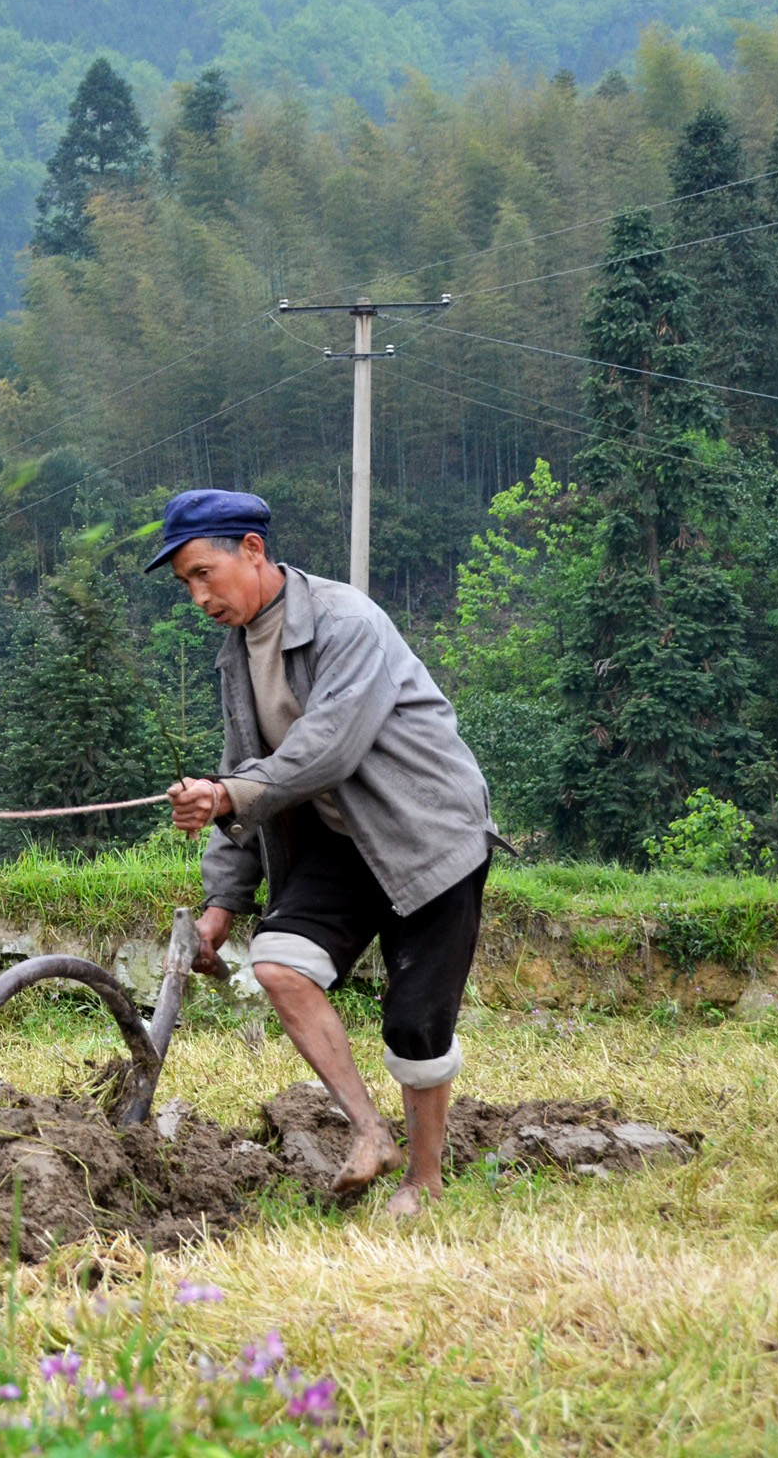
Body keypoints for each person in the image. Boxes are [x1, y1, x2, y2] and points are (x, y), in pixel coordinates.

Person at [147, 489, 500, 1216]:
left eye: (204, 573)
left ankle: (424, 1183)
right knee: (279, 961)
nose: (197, 595)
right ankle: (371, 1131)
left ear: (252, 548)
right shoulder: (239, 654)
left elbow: (325, 751)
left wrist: (225, 794)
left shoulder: (347, 621)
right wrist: (222, 903)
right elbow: (244, 765)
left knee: (415, 1021)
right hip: (344, 841)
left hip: (427, 832)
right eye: (186, 583)